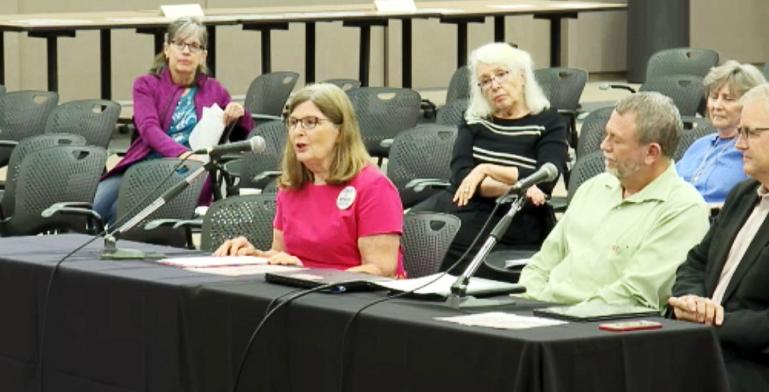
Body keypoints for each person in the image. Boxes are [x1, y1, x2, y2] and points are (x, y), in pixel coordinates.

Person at [518, 92, 709, 311]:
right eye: (605, 135)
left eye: (615, 139)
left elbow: (633, 295)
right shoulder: (594, 187)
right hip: (541, 312)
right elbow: (541, 265)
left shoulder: (684, 209)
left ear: (651, 153)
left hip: (596, 329)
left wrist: (556, 316)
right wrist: (526, 304)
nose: (603, 146)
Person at [670, 81, 769, 392]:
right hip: (710, 349)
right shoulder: (742, 195)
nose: (739, 145)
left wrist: (716, 321)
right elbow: (695, 264)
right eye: (739, 132)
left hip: (768, 370)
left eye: (750, 133)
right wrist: (692, 300)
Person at [214, 83, 404, 278]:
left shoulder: (373, 187)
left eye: (311, 122)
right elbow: (282, 255)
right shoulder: (291, 187)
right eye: (294, 122)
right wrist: (254, 256)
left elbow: (381, 270)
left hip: (356, 301)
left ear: (340, 131)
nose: (298, 131)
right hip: (300, 294)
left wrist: (307, 275)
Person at [412, 42, 568, 271]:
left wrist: (485, 170)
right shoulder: (475, 119)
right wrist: (517, 185)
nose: (494, 85)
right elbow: (462, 175)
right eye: (485, 81)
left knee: (445, 243)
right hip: (466, 202)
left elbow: (544, 179)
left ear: (523, 76)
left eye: (501, 75)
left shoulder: (549, 121)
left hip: (517, 214)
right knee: (408, 227)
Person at [93, 17, 253, 225]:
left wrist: (239, 113)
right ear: (167, 49)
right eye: (179, 44)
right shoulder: (146, 85)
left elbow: (244, 133)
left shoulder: (215, 90)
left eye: (194, 46)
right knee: (96, 206)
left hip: (187, 175)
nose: (186, 51)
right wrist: (183, 154)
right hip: (144, 164)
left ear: (203, 56)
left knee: (119, 213)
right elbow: (148, 129)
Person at [676, 60, 766, 205]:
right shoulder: (699, 144)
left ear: (751, 103)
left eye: (728, 99)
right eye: (714, 97)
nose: (717, 106)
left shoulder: (751, 151)